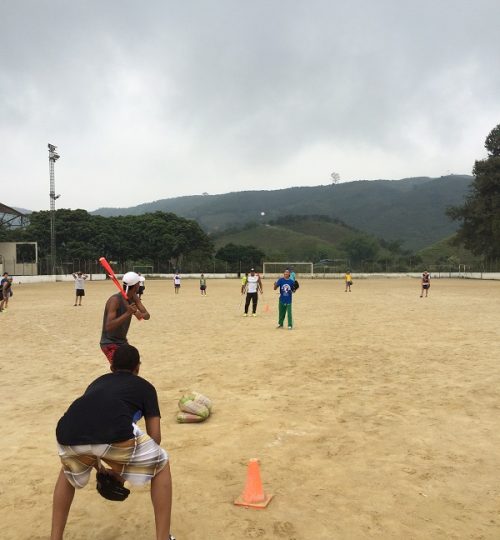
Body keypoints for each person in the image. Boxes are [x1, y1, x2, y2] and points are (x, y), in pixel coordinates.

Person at [50, 344, 174, 540]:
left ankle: (55, 538)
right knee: (161, 464)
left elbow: (92, 426)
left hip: (68, 431)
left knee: (67, 471)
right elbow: (155, 437)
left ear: (111, 368)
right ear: (138, 368)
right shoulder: (145, 387)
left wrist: (99, 466)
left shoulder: (97, 382)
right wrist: (122, 471)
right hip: (112, 431)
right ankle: (163, 537)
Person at [100, 271, 150, 364]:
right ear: (136, 286)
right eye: (139, 283)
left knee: (134, 364)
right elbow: (109, 326)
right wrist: (128, 313)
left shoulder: (134, 297)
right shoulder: (115, 300)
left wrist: (139, 314)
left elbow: (147, 315)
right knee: (123, 367)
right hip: (109, 343)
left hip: (122, 341)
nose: (140, 285)